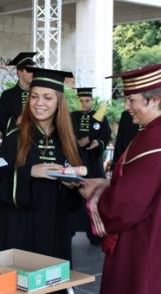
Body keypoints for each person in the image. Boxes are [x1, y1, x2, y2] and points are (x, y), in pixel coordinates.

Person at [79, 64, 161, 294]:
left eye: (132, 100)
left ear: (155, 100)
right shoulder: (150, 133)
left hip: (145, 240)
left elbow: (126, 206)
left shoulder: (154, 140)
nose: (127, 107)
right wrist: (108, 184)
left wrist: (97, 196)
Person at [0, 67, 82, 262]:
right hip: (19, 230)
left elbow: (75, 199)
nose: (39, 103)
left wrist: (73, 185)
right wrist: (29, 171)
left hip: (55, 230)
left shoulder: (67, 141)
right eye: (34, 97)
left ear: (59, 102)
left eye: (48, 97)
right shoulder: (14, 138)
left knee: (52, 287)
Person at [70, 87, 111, 245]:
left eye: (87, 100)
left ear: (92, 101)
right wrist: (76, 142)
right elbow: (65, 134)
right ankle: (70, 230)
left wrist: (96, 143)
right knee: (73, 195)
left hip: (93, 163)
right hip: (76, 161)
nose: (84, 103)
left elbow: (106, 136)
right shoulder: (72, 116)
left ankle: (95, 234)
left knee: (96, 196)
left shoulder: (100, 117)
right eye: (81, 101)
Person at [0, 52, 36, 136]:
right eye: (29, 70)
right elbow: (1, 122)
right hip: (14, 141)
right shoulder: (7, 95)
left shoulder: (39, 94)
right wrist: (17, 120)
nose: (33, 73)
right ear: (19, 73)